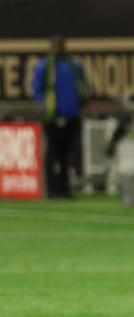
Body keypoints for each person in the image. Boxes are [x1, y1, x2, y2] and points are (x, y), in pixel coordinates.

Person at [31, 35, 91, 199]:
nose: (59, 49)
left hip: (72, 116)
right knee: (52, 153)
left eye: (61, 45)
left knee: (67, 154)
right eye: (56, 46)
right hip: (52, 117)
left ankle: (65, 188)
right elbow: (37, 89)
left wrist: (82, 103)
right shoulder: (45, 66)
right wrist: (47, 105)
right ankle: (52, 188)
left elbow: (83, 85)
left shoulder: (74, 65)